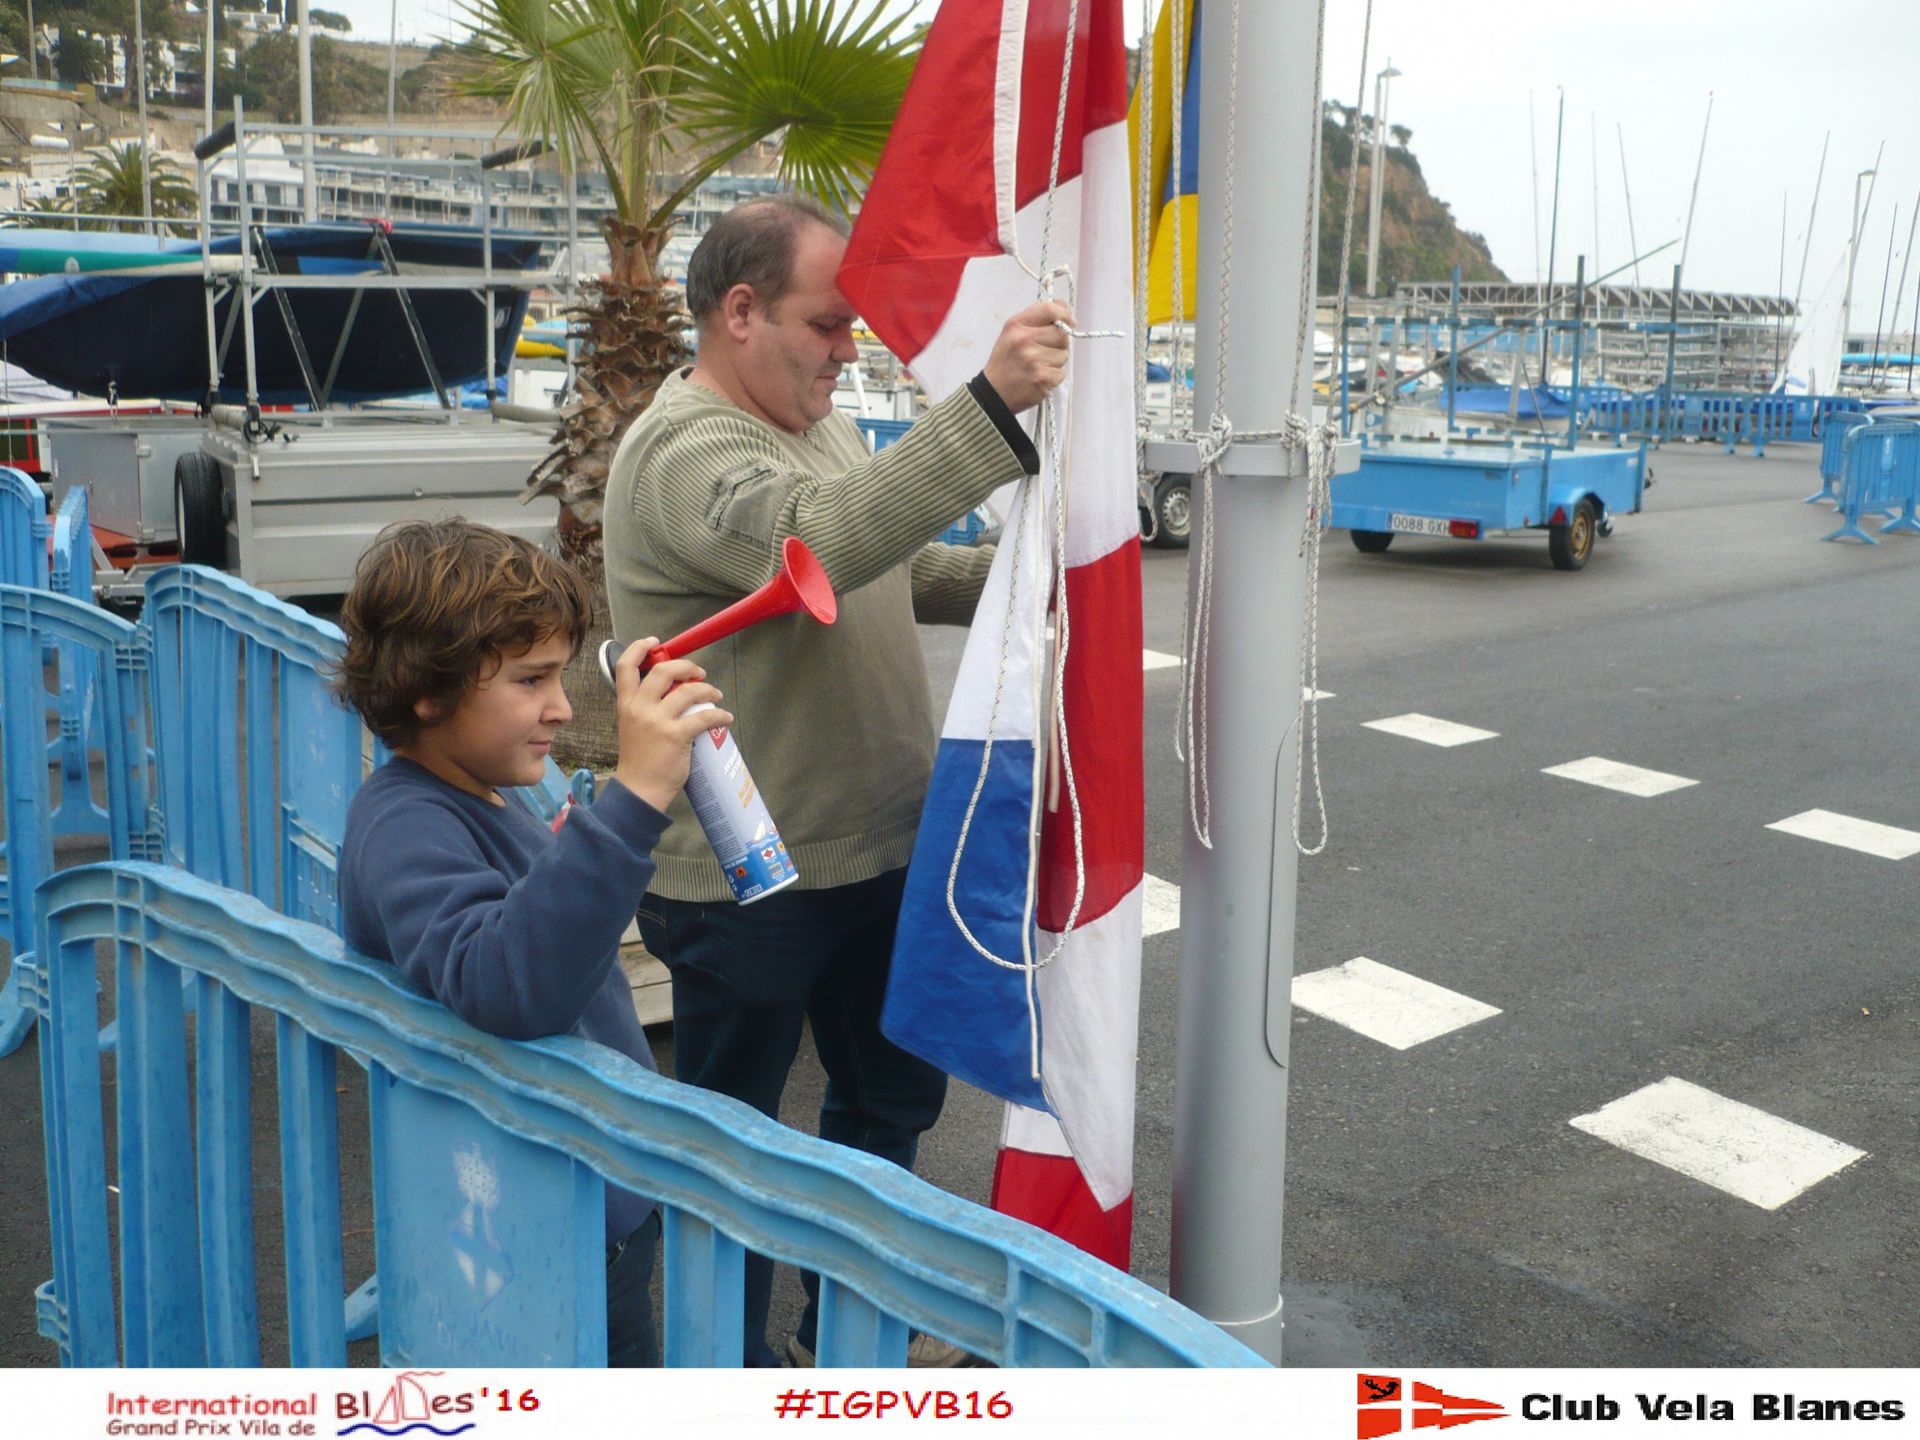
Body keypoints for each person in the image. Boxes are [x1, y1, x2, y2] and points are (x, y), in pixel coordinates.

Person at [603, 194, 1071, 1367]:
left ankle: (840, 1340)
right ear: (743, 312)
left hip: (875, 846)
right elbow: (819, 540)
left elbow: (881, 565)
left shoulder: (803, 419)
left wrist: (1033, 574)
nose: (845, 350)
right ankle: (732, 1367)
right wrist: (992, 406)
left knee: (885, 1109)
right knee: (734, 1150)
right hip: (746, 875)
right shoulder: (684, 451)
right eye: (828, 324)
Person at [334, 517, 730, 1367]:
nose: (560, 705)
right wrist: (634, 795)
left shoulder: (474, 789)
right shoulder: (404, 822)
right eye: (531, 679)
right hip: (543, 1217)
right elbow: (506, 982)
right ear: (426, 690)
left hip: (579, 1196)